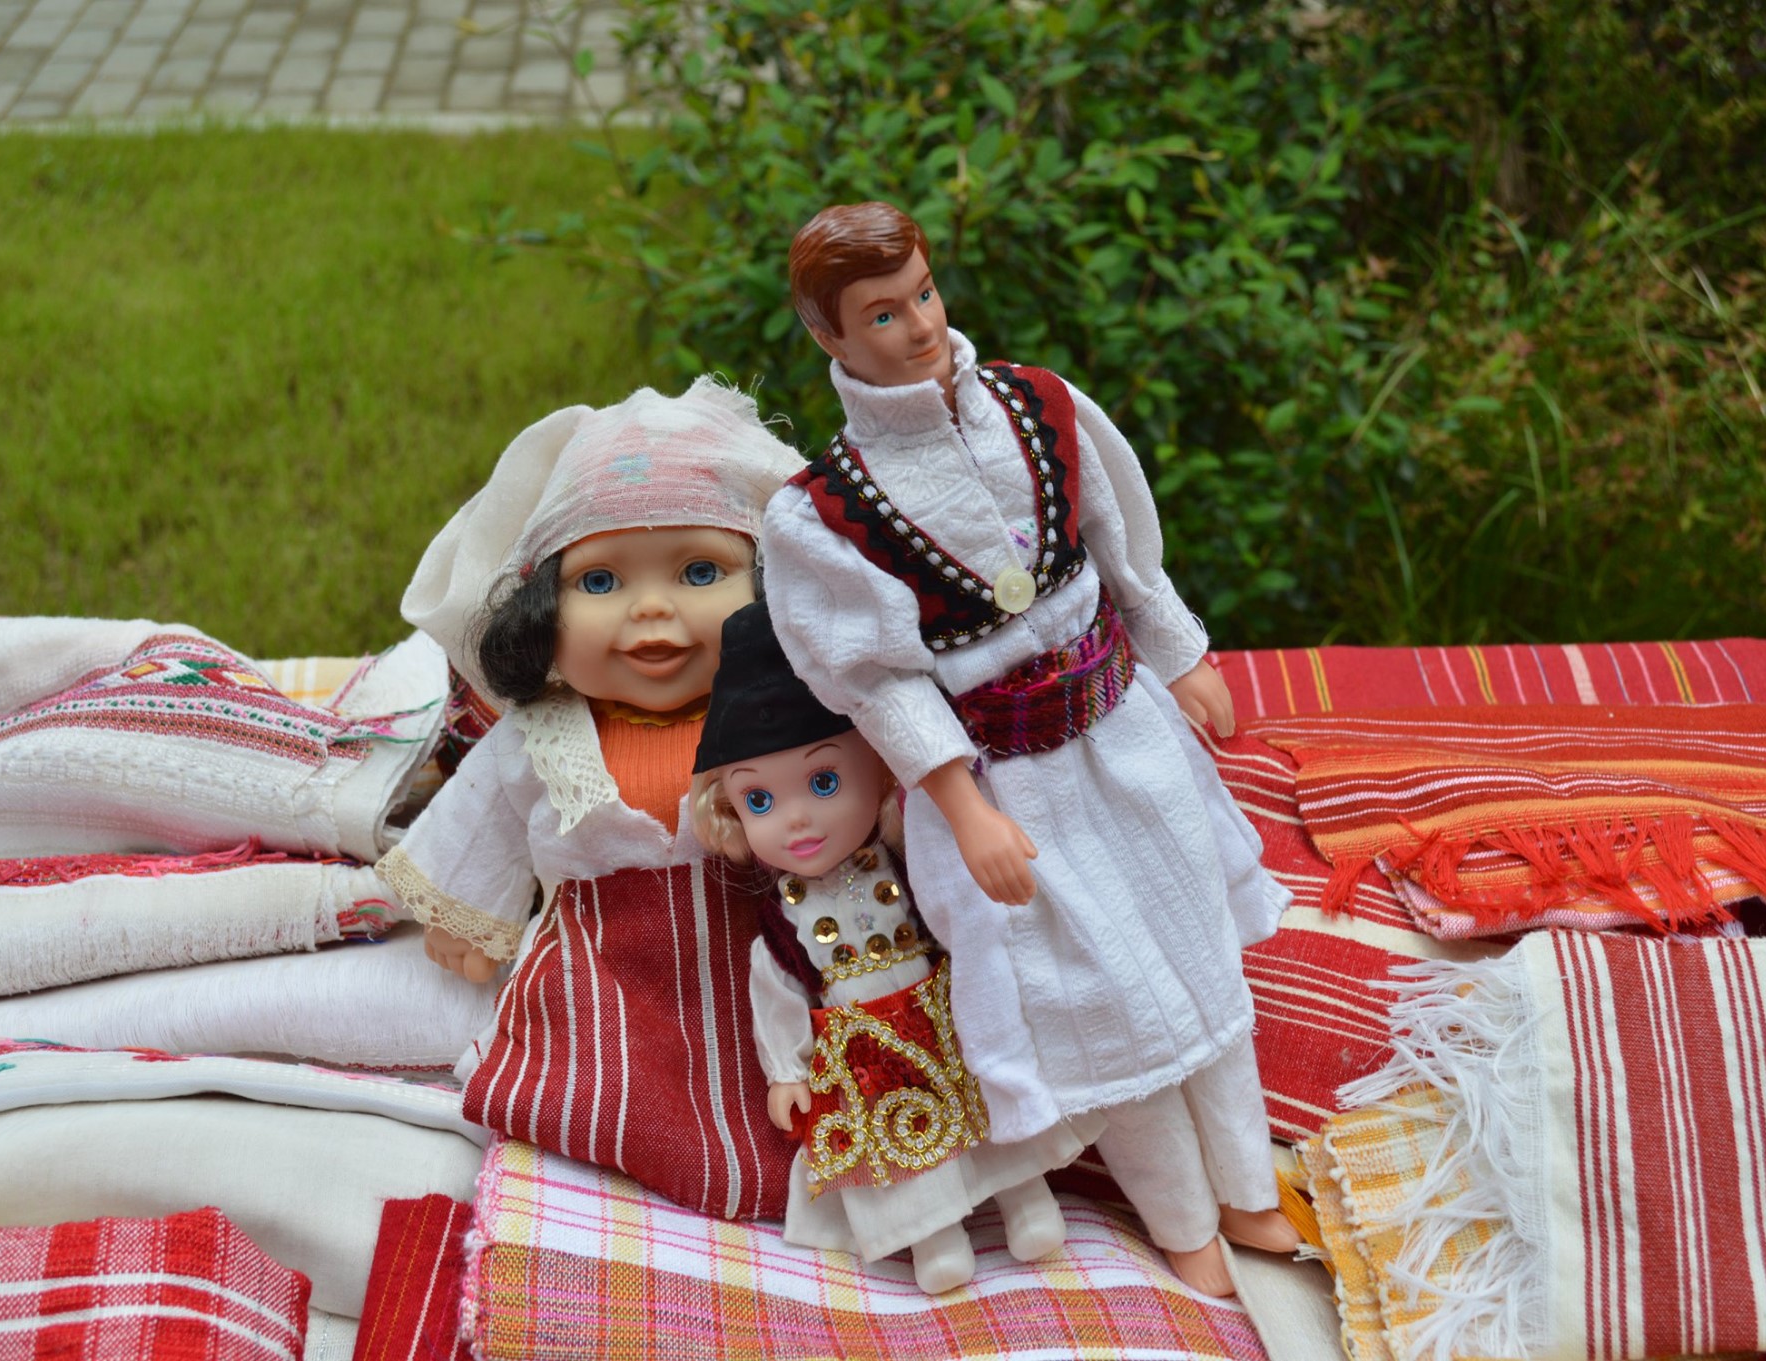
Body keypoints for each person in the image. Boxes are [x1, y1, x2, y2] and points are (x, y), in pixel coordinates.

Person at [759, 202, 1297, 1295]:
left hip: (1126, 732)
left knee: (1195, 939)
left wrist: (1181, 652)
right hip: (1008, 782)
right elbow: (882, 682)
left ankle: (1248, 1186)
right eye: (881, 313)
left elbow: (1123, 545)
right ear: (827, 334)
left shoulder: (1038, 404)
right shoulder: (820, 514)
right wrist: (964, 810)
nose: (919, 324)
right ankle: (1182, 1218)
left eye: (922, 292)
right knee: (1096, 997)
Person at [689, 600, 1083, 1294]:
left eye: (823, 782)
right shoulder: (780, 923)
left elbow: (963, 928)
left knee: (988, 1108)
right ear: (730, 811)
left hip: (946, 1017)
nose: (796, 820)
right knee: (902, 1152)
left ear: (879, 772)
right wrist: (786, 1072)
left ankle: (1028, 1200)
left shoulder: (914, 865)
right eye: (759, 802)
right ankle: (934, 1235)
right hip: (862, 1052)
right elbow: (776, 998)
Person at [377, 378, 799, 987]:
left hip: (767, 988)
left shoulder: (787, 712)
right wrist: (468, 915)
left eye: (700, 572)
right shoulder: (542, 738)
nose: (651, 607)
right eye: (600, 582)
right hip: (591, 996)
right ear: (542, 611)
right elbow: (480, 828)